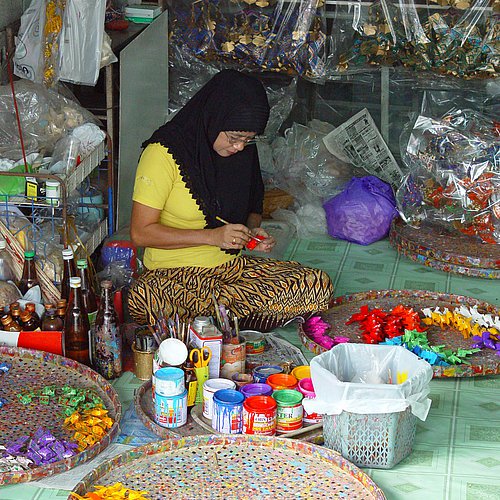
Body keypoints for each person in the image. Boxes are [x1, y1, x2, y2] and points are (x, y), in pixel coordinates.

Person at [128, 70, 333, 331]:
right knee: (145, 299)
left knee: (316, 285)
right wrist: (212, 237)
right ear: (213, 118)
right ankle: (231, 318)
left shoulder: (243, 152)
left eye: (247, 140)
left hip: (231, 273)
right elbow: (141, 233)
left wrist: (252, 233)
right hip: (171, 277)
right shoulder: (162, 153)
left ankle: (214, 321)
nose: (238, 147)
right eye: (234, 138)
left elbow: (253, 205)